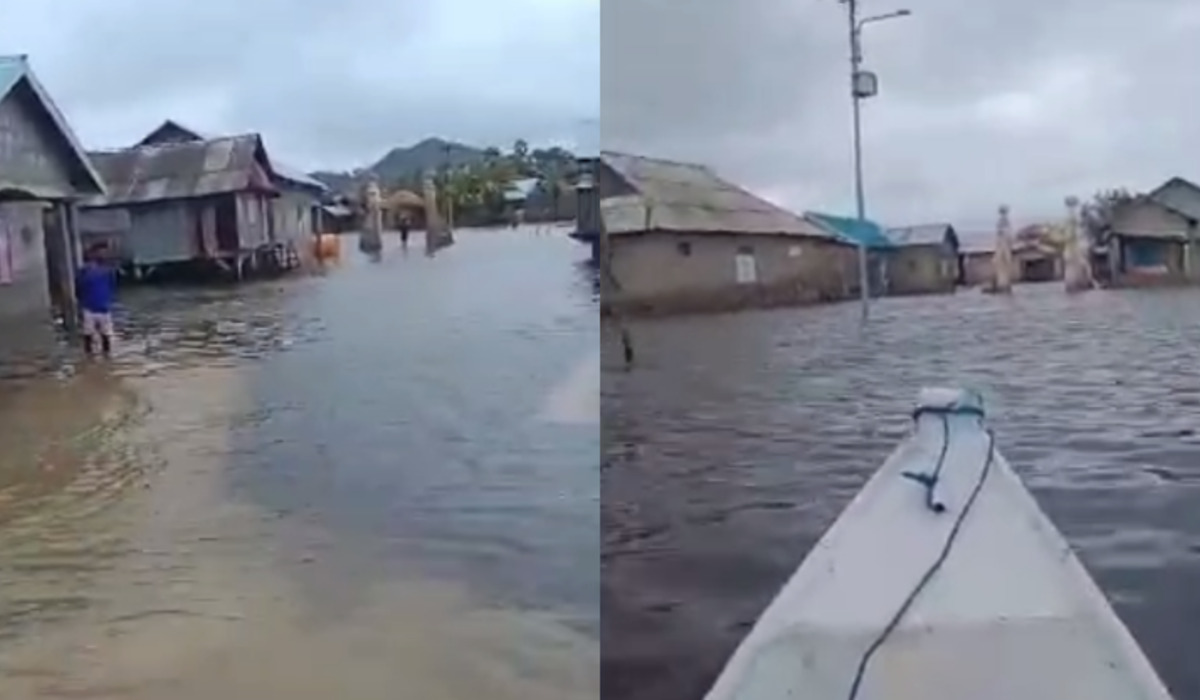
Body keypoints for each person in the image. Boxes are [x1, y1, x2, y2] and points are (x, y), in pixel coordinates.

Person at [75, 242, 117, 357]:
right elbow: (78, 287)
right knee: (88, 335)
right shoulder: (85, 270)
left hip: (102, 307)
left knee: (105, 335)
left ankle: (103, 357)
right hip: (90, 307)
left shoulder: (108, 271)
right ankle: (90, 357)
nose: (104, 254)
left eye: (105, 252)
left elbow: (112, 286)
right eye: (101, 252)